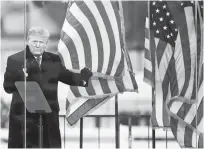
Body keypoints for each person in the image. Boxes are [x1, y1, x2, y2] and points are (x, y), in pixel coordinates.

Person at [3, 27, 93, 148]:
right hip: (24, 119)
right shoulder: (15, 60)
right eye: (34, 41)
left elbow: (67, 76)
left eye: (41, 42)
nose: (37, 45)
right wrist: (19, 75)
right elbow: (7, 87)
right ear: (28, 41)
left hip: (48, 118)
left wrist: (83, 78)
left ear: (46, 44)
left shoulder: (53, 60)